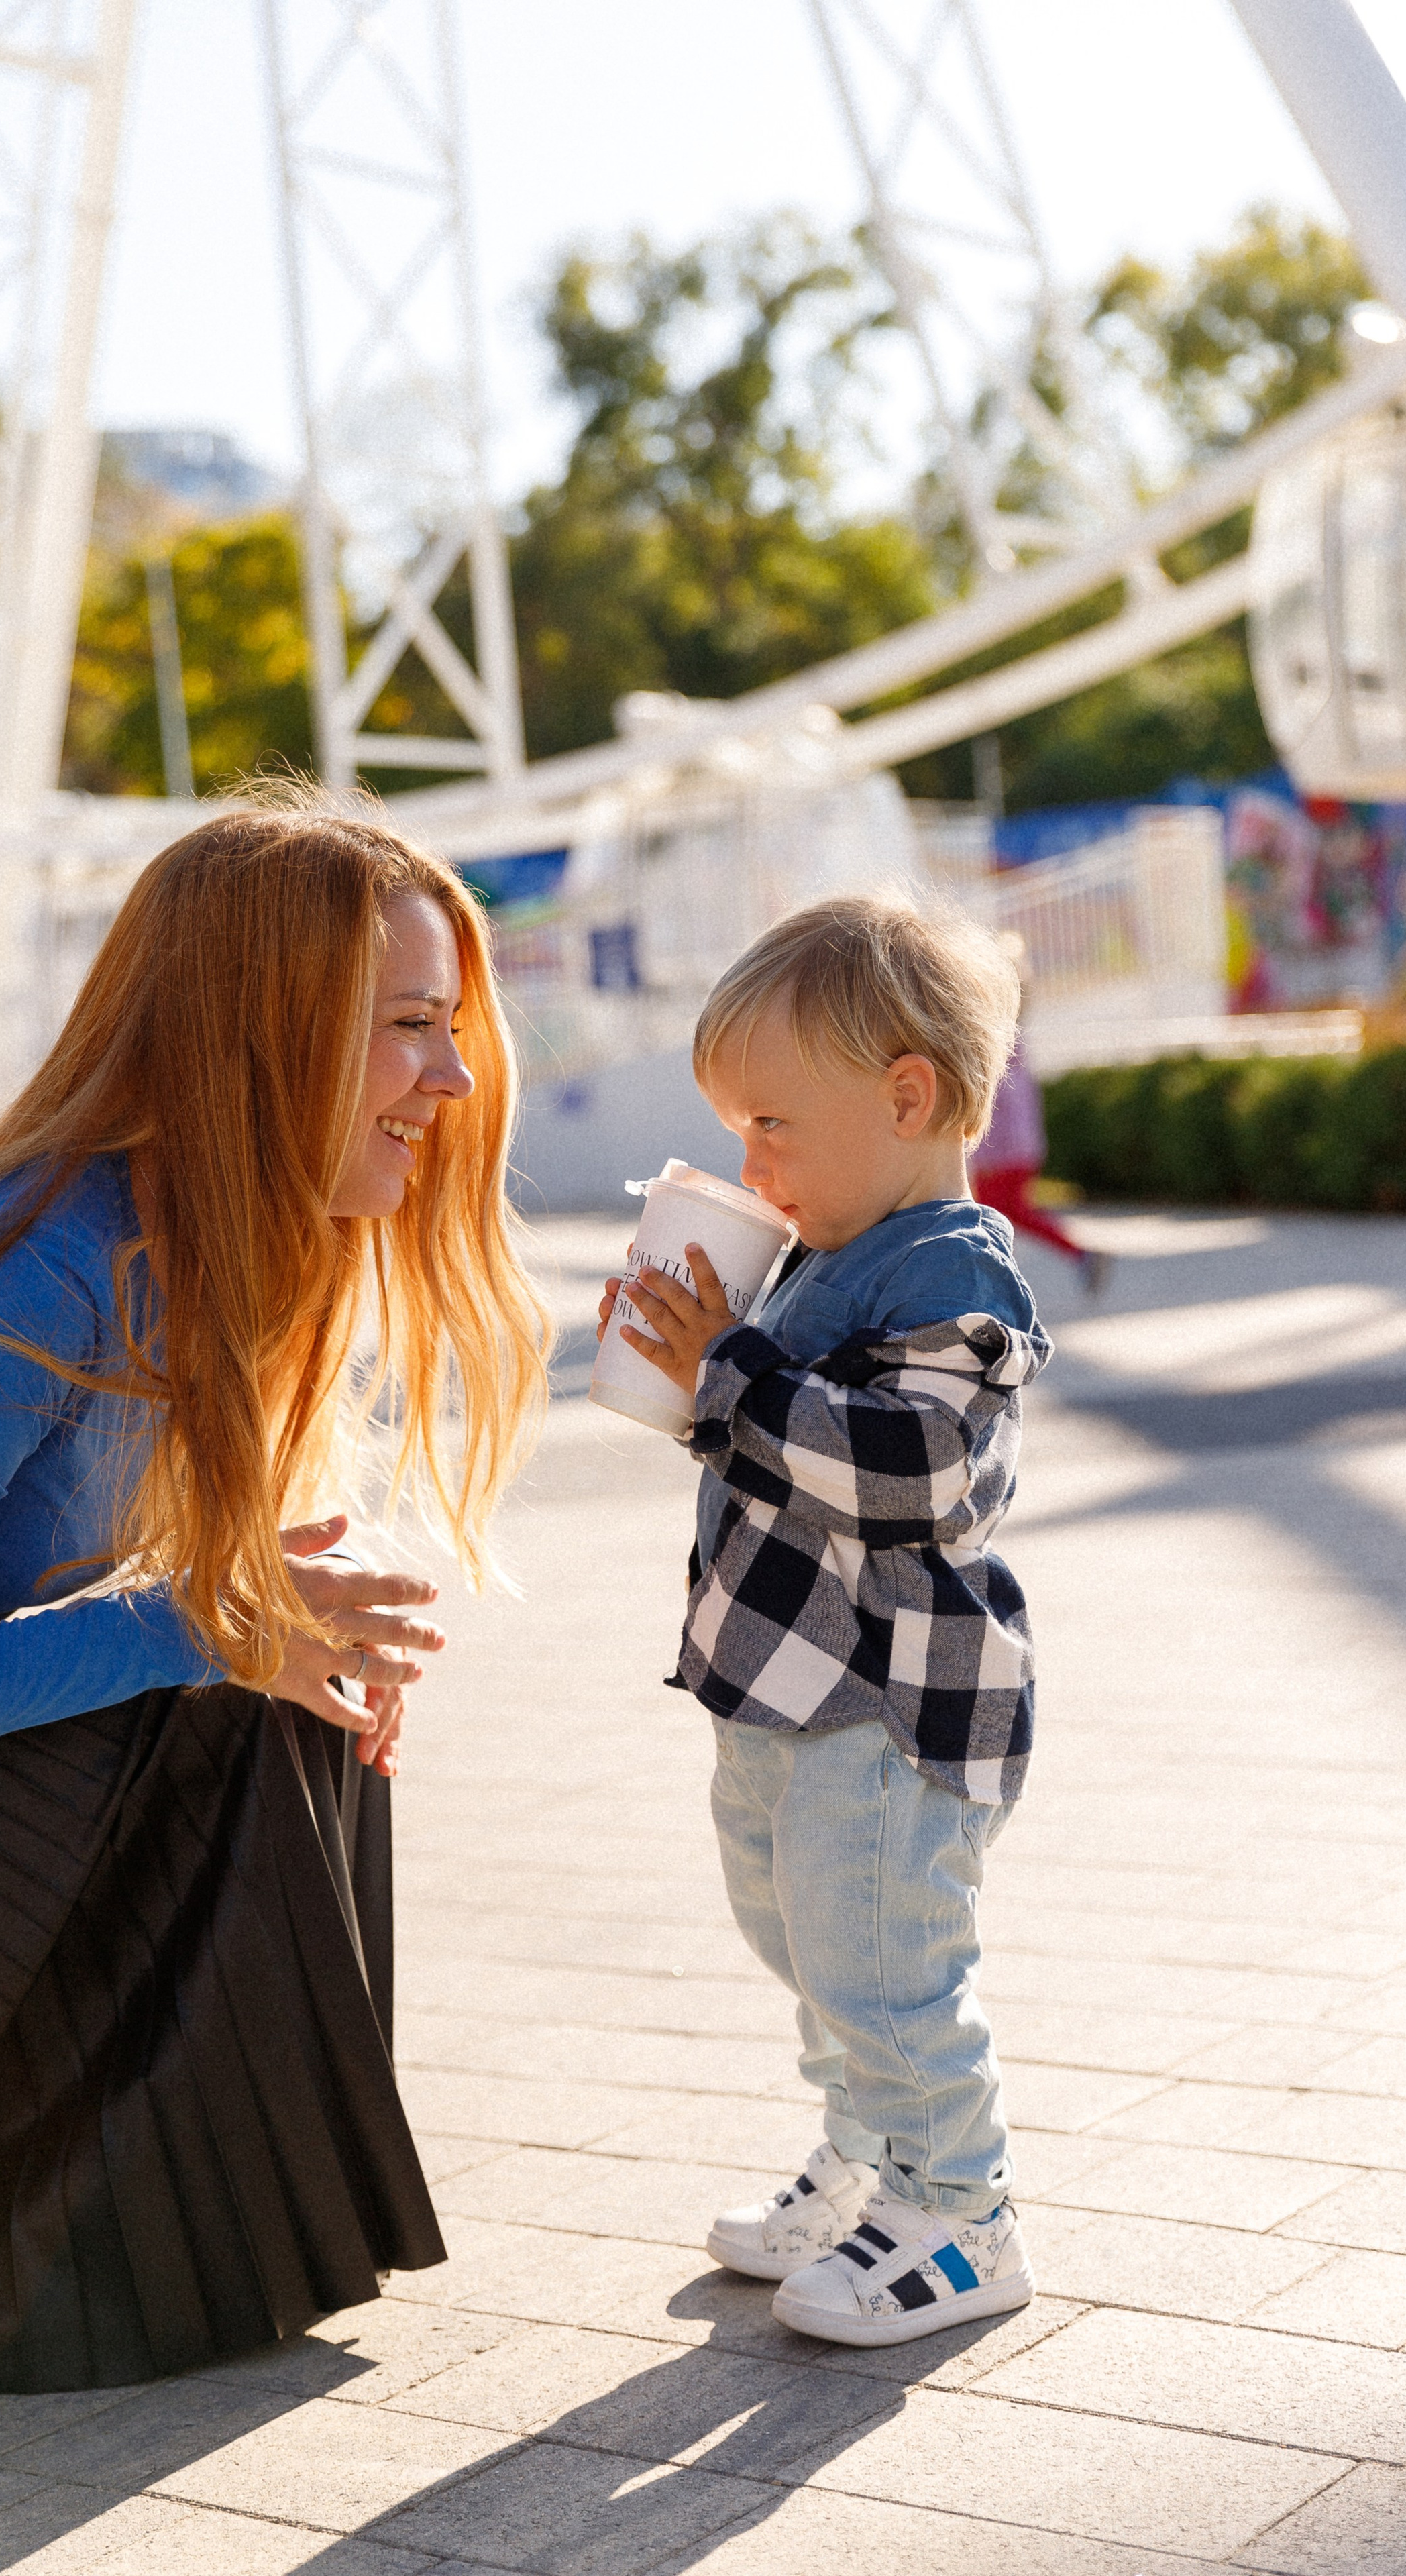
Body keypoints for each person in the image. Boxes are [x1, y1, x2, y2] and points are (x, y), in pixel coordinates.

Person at [0, 792, 547, 2394]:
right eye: (406, 1027)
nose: (448, 1079)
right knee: (214, 1684)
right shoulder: (29, 1271)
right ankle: (6, 2270)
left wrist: (295, 1620)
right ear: (262, 1040)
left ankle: (191, 2240)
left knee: (273, 1683)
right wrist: (207, 1629)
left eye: (448, 1029)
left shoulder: (223, 1246)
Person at [599, 894, 1049, 2349]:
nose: (751, 1166)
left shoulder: (950, 1274)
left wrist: (730, 1371)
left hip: (889, 1705)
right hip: (784, 1691)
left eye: (771, 1126)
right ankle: (870, 2154)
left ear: (905, 1097)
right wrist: (687, 1370)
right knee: (803, 1937)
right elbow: (773, 1445)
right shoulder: (817, 1255)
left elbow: (913, 1472)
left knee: (885, 1965)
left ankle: (961, 2212)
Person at [969, 1021, 1109, 1297]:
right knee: (1010, 1214)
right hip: (1022, 1151)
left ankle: (992, 1284)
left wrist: (983, 1155)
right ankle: (1077, 1255)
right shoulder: (1017, 1058)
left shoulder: (996, 1059)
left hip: (1003, 1155)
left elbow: (996, 1115)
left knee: (992, 1218)